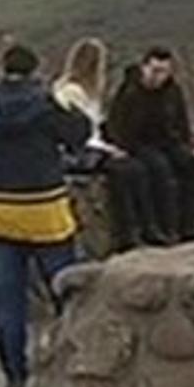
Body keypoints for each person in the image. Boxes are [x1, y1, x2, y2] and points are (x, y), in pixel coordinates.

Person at [0, 44, 93, 387]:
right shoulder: (46, 102)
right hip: (44, 208)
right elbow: (77, 136)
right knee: (67, 291)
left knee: (9, 300)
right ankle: (73, 364)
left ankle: (15, 377)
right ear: (35, 69)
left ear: (1, 67)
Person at [51, 38, 152, 252]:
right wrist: (107, 150)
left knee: (135, 168)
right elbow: (81, 133)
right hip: (79, 152)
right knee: (127, 170)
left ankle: (141, 226)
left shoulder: (84, 92)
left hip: (91, 147)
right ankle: (129, 231)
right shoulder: (72, 93)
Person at [105, 46, 194, 243]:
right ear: (144, 68)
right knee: (158, 169)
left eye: (163, 72)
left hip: (167, 141)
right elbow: (116, 124)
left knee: (190, 164)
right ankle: (158, 227)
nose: (158, 77)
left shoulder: (172, 91)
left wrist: (186, 145)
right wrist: (122, 147)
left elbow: (181, 121)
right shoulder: (130, 92)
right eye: (155, 71)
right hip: (137, 143)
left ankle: (188, 222)